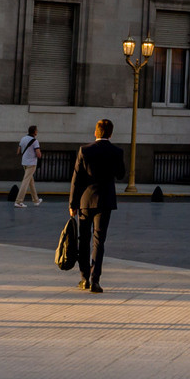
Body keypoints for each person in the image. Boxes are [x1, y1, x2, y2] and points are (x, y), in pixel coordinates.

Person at [67, 119, 125, 293]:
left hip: (85, 201)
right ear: (111, 134)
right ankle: (95, 280)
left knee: (83, 240)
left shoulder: (85, 150)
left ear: (96, 132)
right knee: (99, 241)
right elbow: (121, 175)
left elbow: (76, 179)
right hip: (105, 200)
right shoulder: (117, 151)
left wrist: (73, 203)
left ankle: (84, 277)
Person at [15, 125, 42, 207]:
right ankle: (18, 201)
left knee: (31, 182)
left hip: (24, 163)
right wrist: (39, 154)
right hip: (32, 163)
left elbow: (18, 151)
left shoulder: (23, 139)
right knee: (26, 182)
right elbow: (38, 154)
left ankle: (36, 200)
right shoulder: (35, 141)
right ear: (34, 132)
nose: (37, 131)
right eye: (37, 130)